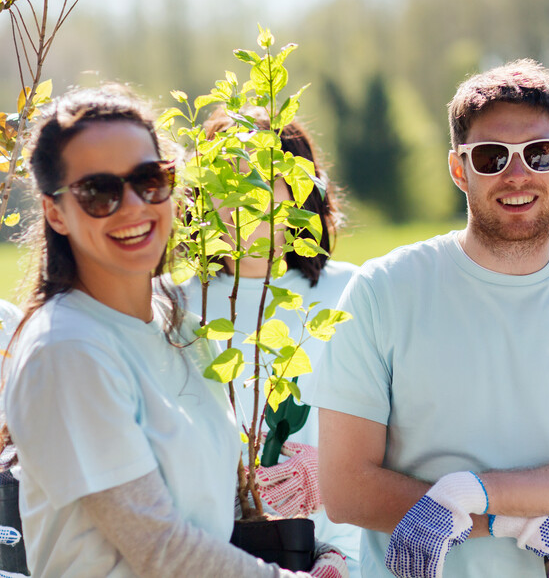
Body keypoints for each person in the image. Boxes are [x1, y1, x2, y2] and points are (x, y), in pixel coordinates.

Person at [302, 59, 549, 578]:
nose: (516, 174)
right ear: (459, 169)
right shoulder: (382, 292)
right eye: (491, 155)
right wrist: (513, 522)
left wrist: (467, 498)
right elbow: (346, 489)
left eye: (538, 154)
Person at [1, 86, 346, 576]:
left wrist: (312, 517)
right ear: (55, 211)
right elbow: (159, 548)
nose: (133, 206)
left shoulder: (178, 321)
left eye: (149, 179)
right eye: (99, 192)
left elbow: (208, 499)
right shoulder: (67, 350)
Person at [177, 107, 362, 574]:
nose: (243, 196)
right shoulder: (171, 306)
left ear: (300, 190)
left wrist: (330, 477)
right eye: (225, 177)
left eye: (263, 176)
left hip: (337, 550)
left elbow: (400, 433)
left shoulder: (354, 294)